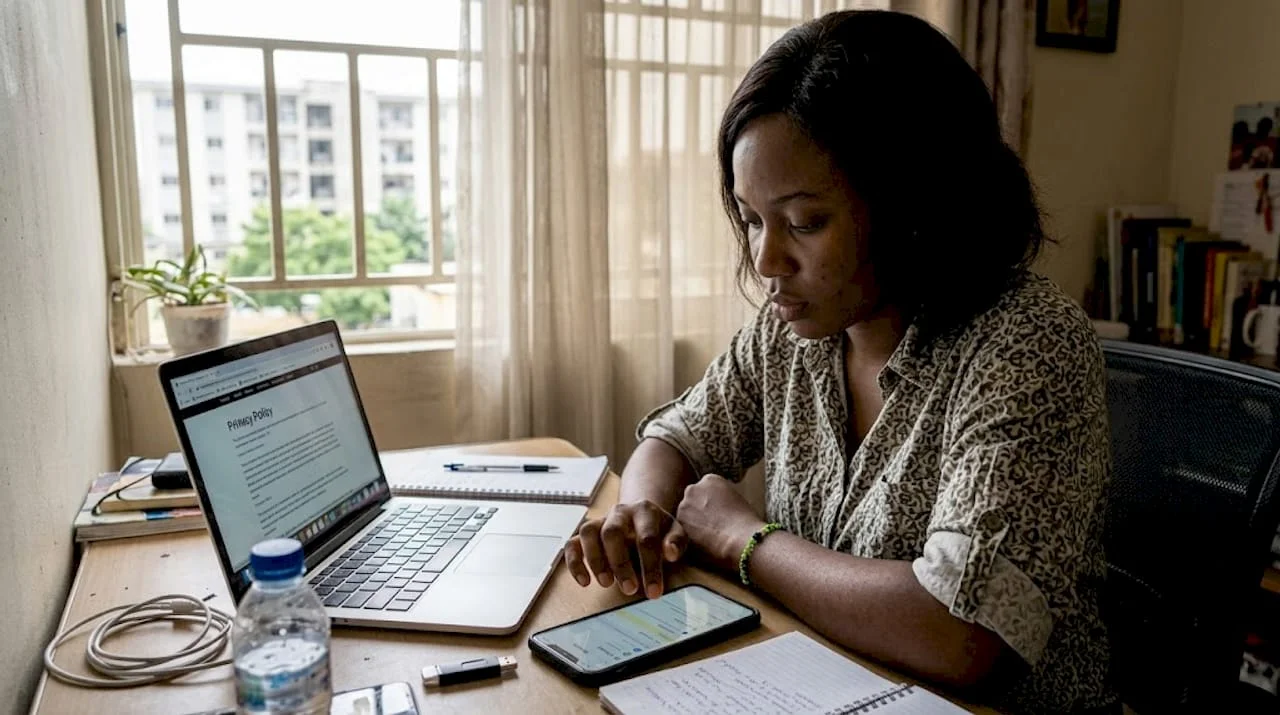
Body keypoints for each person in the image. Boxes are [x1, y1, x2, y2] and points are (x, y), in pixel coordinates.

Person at [563, 10, 1114, 715]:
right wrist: (641, 510)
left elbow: (962, 632)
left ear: (914, 203)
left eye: (804, 223)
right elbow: (675, 436)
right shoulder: (792, 331)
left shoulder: (1028, 343)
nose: (765, 261)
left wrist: (744, 538)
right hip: (823, 687)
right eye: (753, 218)